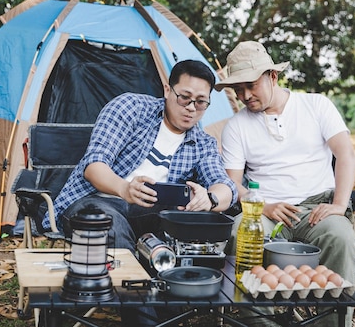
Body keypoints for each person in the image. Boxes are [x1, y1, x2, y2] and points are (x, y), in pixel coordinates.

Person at [41, 59, 237, 325]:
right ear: (168, 90)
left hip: (150, 216)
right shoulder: (131, 108)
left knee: (182, 230)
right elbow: (94, 166)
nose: (191, 109)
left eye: (201, 102)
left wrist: (210, 197)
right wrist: (124, 188)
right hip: (97, 203)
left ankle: (168, 311)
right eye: (185, 98)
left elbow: (226, 187)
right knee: (111, 224)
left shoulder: (202, 143)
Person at [215, 41, 355, 327]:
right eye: (237, 89)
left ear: (272, 76)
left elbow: (346, 154)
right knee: (240, 231)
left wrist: (339, 205)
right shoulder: (237, 126)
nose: (244, 95)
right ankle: (260, 323)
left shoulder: (316, 105)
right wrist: (263, 207)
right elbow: (232, 185)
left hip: (316, 207)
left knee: (340, 237)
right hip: (265, 210)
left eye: (251, 85)